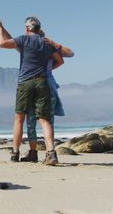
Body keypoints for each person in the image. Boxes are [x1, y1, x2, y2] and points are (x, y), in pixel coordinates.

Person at [0, 14, 63, 165]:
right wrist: (47, 69)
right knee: (44, 120)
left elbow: (2, 43)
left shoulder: (23, 40)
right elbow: (60, 60)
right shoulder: (46, 43)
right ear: (38, 28)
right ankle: (51, 153)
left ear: (26, 28)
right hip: (43, 82)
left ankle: (15, 153)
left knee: (19, 118)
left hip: (25, 82)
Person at [20, 29, 74, 162]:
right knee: (48, 121)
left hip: (36, 83)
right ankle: (51, 152)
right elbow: (67, 56)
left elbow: (71, 54)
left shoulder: (34, 47)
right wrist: (56, 46)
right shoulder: (49, 47)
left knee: (31, 119)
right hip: (49, 83)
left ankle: (33, 152)